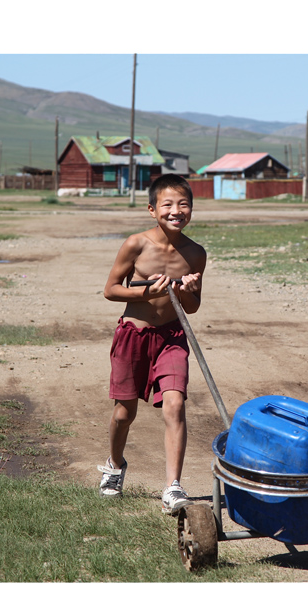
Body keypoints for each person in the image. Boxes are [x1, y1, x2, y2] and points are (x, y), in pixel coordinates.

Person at [98, 174, 207, 515]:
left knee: (175, 405)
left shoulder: (196, 254)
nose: (177, 211)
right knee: (123, 412)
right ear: (152, 209)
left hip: (172, 337)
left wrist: (185, 290)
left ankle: (173, 486)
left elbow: (192, 307)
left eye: (184, 204)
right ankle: (115, 466)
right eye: (168, 204)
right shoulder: (136, 244)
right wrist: (149, 291)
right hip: (133, 335)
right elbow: (111, 289)